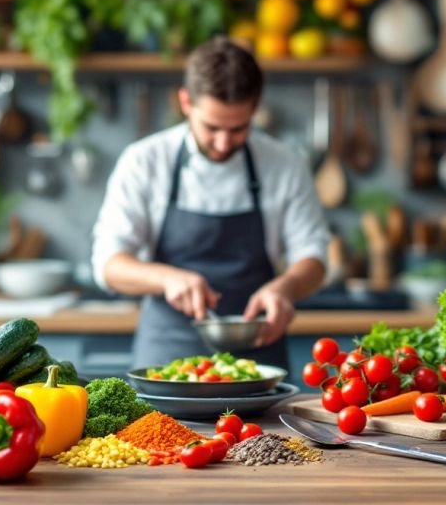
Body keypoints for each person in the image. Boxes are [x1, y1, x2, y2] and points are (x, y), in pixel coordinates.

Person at [91, 38, 330, 369]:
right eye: (212, 127)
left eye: (238, 129)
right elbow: (108, 264)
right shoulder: (144, 161)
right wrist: (167, 278)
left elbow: (314, 258)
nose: (223, 143)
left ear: (255, 107)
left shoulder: (284, 164)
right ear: (186, 101)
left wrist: (285, 288)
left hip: (259, 359)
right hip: (166, 359)